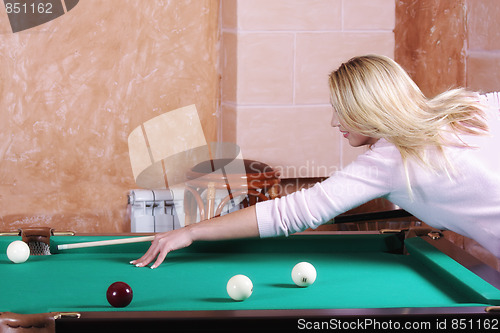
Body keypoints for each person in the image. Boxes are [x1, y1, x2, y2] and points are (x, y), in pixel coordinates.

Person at [131, 55, 500, 269]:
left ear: (367, 109)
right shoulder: (470, 106)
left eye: (341, 111)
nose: (334, 122)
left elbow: (293, 212)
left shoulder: (389, 159)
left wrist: (192, 231)